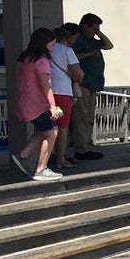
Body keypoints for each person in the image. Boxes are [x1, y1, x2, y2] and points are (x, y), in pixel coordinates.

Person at [9, 27, 64, 182]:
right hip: (37, 104)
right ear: (44, 44)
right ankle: (41, 168)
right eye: (52, 45)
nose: (53, 49)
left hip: (23, 101)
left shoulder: (24, 58)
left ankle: (24, 155)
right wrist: (53, 106)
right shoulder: (42, 61)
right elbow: (45, 85)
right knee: (52, 131)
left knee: (43, 129)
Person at [70, 12, 111, 161]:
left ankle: (86, 145)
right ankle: (81, 149)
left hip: (94, 84)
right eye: (94, 28)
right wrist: (88, 54)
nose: (96, 31)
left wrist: (99, 32)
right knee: (81, 117)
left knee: (89, 117)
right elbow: (71, 57)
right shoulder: (78, 40)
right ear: (85, 26)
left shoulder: (93, 40)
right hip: (82, 84)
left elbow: (109, 45)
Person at [47, 23, 82, 169]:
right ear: (67, 38)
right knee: (62, 126)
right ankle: (61, 158)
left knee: (48, 126)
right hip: (62, 92)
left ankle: (48, 156)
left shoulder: (46, 50)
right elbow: (77, 74)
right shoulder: (67, 51)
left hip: (47, 92)